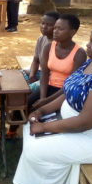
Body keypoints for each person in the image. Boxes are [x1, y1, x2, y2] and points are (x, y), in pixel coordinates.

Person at [13, 26, 92, 184]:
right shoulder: (90, 63)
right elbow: (67, 94)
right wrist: (42, 111)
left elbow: (85, 122)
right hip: (74, 125)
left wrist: (44, 126)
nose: (88, 46)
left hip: (91, 136)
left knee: (35, 148)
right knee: (30, 128)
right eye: (90, 41)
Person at [6, 11, 60, 140]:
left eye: (49, 25)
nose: (44, 27)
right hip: (40, 73)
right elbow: (35, 60)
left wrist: (34, 80)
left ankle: (12, 129)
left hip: (50, 79)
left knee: (24, 96)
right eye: (42, 23)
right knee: (15, 77)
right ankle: (9, 110)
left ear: (56, 27)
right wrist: (31, 75)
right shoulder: (41, 39)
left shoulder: (58, 44)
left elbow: (49, 73)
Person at [35, 14, 87, 108]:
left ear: (72, 32)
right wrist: (42, 98)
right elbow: (44, 74)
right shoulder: (48, 47)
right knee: (21, 107)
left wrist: (46, 101)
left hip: (65, 92)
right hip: (47, 87)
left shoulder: (79, 54)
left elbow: (71, 83)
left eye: (60, 29)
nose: (55, 31)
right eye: (55, 28)